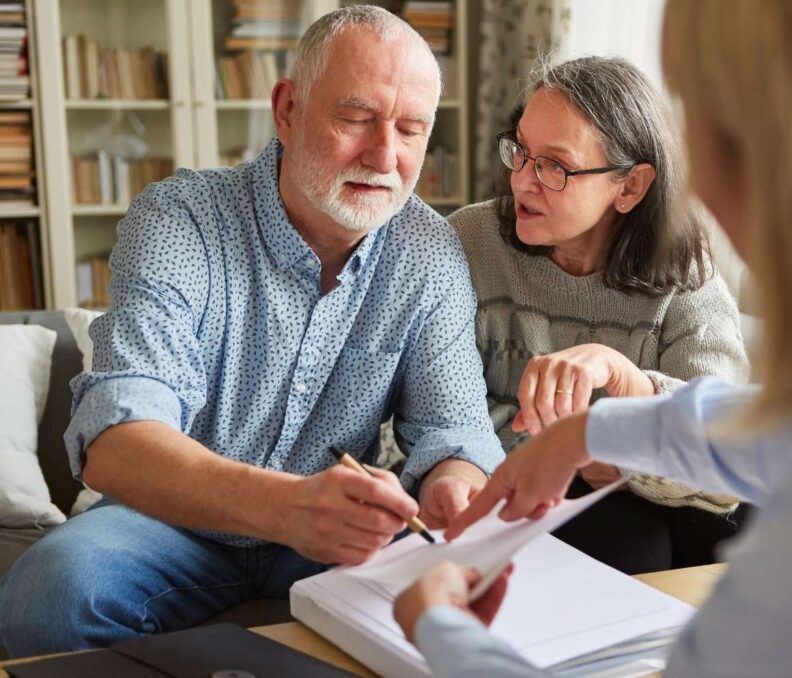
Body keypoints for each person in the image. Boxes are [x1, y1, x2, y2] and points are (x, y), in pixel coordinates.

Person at [394, 0, 792, 675]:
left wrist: (439, 629)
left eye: (704, 121)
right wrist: (583, 435)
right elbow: (787, 422)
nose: (695, 171)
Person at [0, 6, 505, 658]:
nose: (386, 155)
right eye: (356, 119)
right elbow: (116, 444)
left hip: (339, 536)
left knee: (467, 610)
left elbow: (455, 430)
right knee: (48, 593)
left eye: (412, 130)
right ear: (287, 108)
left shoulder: (429, 251)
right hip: (169, 522)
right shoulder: (182, 218)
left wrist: (454, 489)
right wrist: (290, 506)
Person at [448, 56, 749, 574]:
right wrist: (580, 446)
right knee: (631, 541)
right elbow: (444, 415)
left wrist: (631, 394)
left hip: (651, 496)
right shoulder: (467, 243)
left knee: (743, 528)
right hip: (518, 487)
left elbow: (729, 445)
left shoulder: (683, 263)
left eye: (554, 167)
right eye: (520, 151)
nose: (522, 181)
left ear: (629, 187)